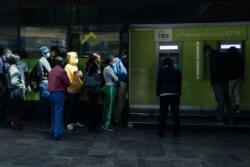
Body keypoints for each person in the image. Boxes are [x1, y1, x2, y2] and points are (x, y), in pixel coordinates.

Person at [204, 45, 234, 124]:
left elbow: (214, 70)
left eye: (206, 53)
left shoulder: (213, 57)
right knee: (227, 98)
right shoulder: (222, 55)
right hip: (225, 80)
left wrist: (213, 81)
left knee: (220, 99)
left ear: (208, 51)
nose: (206, 54)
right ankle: (231, 119)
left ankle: (219, 119)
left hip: (217, 81)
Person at [156, 57, 182, 138]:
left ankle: (161, 132)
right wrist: (178, 92)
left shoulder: (161, 71)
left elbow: (159, 83)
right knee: (175, 114)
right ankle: (176, 133)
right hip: (175, 94)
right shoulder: (177, 71)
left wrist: (158, 93)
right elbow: (179, 83)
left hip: (164, 94)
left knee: (163, 114)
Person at [48, 56, 70, 140]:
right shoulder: (62, 71)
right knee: (58, 114)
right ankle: (57, 134)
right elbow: (68, 83)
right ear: (61, 63)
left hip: (51, 93)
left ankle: (54, 131)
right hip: (59, 93)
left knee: (53, 114)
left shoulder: (51, 71)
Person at [64, 52, 84, 130]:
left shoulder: (75, 66)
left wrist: (79, 75)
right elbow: (68, 79)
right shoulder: (67, 67)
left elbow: (76, 77)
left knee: (76, 107)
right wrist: (75, 83)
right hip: (71, 90)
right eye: (75, 57)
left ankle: (75, 121)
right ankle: (69, 122)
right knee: (71, 107)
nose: (76, 58)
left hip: (78, 90)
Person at [6, 54, 26, 130]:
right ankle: (14, 123)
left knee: (17, 108)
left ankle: (16, 122)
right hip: (15, 90)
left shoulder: (12, 67)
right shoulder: (12, 68)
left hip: (15, 89)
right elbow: (13, 81)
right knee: (15, 108)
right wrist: (21, 85)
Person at [85, 52, 102, 132]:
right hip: (94, 89)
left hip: (88, 88)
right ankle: (93, 127)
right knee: (94, 108)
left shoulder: (88, 64)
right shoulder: (95, 66)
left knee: (91, 107)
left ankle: (91, 126)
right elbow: (97, 76)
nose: (100, 59)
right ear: (95, 59)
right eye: (99, 58)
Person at [101, 55, 119, 131]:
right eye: (114, 61)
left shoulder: (106, 68)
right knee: (110, 107)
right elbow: (116, 79)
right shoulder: (109, 69)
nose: (115, 62)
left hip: (107, 87)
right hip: (111, 88)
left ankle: (104, 123)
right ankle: (107, 125)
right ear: (110, 62)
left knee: (106, 107)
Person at [37, 46, 52, 125]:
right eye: (47, 52)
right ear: (43, 53)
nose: (49, 53)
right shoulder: (44, 61)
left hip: (43, 82)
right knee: (45, 102)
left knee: (44, 102)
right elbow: (51, 72)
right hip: (45, 82)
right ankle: (43, 120)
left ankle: (42, 119)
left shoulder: (41, 60)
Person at [112, 53, 128, 125]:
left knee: (121, 101)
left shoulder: (119, 60)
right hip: (121, 83)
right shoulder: (117, 60)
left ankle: (118, 117)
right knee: (120, 101)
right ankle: (117, 118)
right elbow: (115, 72)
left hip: (122, 82)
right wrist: (118, 81)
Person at [227, 47, 244, 114]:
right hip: (239, 78)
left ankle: (230, 107)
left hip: (231, 78)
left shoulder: (227, 58)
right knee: (237, 92)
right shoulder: (240, 58)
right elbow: (243, 68)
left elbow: (226, 68)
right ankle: (237, 108)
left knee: (230, 92)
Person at [0, 48, 11, 123]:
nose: (10, 56)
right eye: (10, 54)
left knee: (4, 101)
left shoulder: (6, 61)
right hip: (2, 84)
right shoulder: (0, 61)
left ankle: (3, 117)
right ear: (6, 53)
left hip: (4, 83)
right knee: (2, 101)